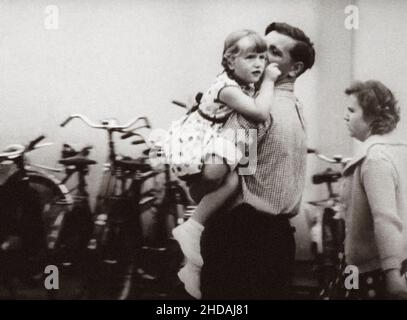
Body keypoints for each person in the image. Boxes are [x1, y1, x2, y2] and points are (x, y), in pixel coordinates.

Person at [198, 22, 315, 299]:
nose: (259, 57)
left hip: (239, 239)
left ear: (294, 69)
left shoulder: (254, 110)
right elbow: (252, 160)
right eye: (259, 48)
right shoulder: (296, 108)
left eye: (271, 52)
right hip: (279, 241)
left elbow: (213, 172)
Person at [162, 29, 281, 298]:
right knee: (228, 181)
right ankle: (191, 227)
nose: (259, 64)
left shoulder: (242, 85)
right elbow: (260, 113)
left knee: (231, 187)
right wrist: (271, 81)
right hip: (197, 145)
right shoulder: (227, 89)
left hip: (215, 143)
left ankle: (191, 266)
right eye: (251, 57)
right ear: (229, 62)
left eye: (262, 57)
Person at [337, 80, 407, 299]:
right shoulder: (397, 151)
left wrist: (392, 274)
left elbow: (384, 218)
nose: (345, 116)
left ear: (372, 115)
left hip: (373, 271)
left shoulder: (374, 159)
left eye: (351, 110)